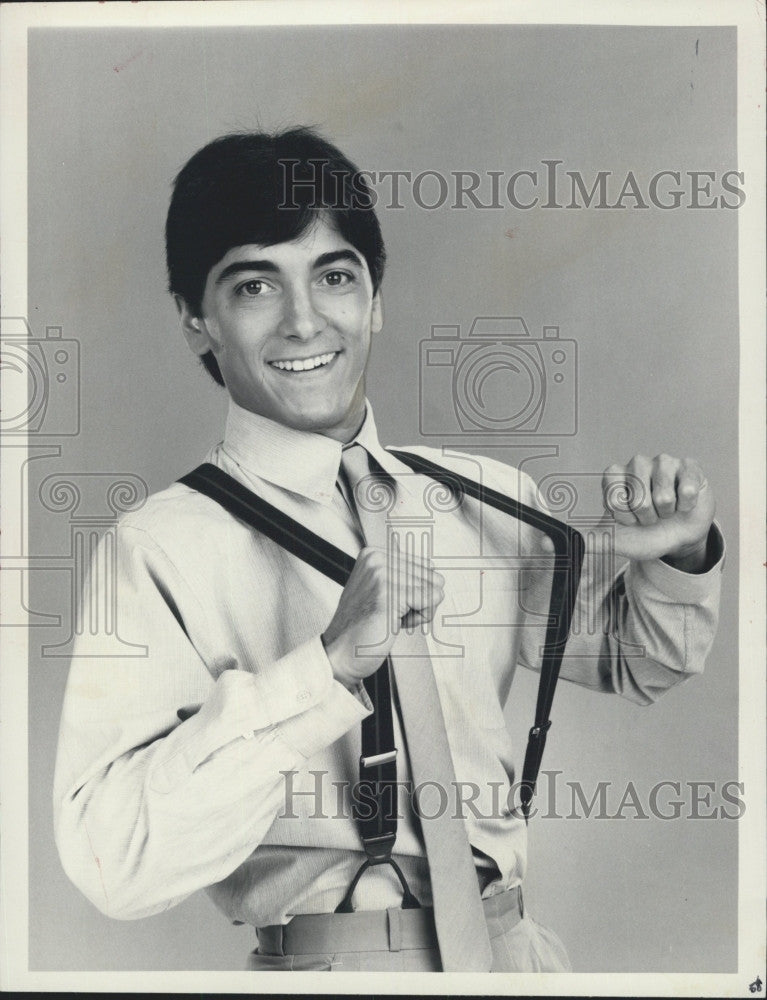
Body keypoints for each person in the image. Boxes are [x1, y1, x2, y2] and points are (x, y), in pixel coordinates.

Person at [53, 126, 724, 973]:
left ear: (374, 300)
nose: (305, 322)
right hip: (334, 971)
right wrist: (326, 670)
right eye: (254, 284)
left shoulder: (486, 499)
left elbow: (641, 664)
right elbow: (118, 862)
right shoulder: (158, 549)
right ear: (196, 321)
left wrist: (679, 554)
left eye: (334, 277)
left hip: (517, 958)